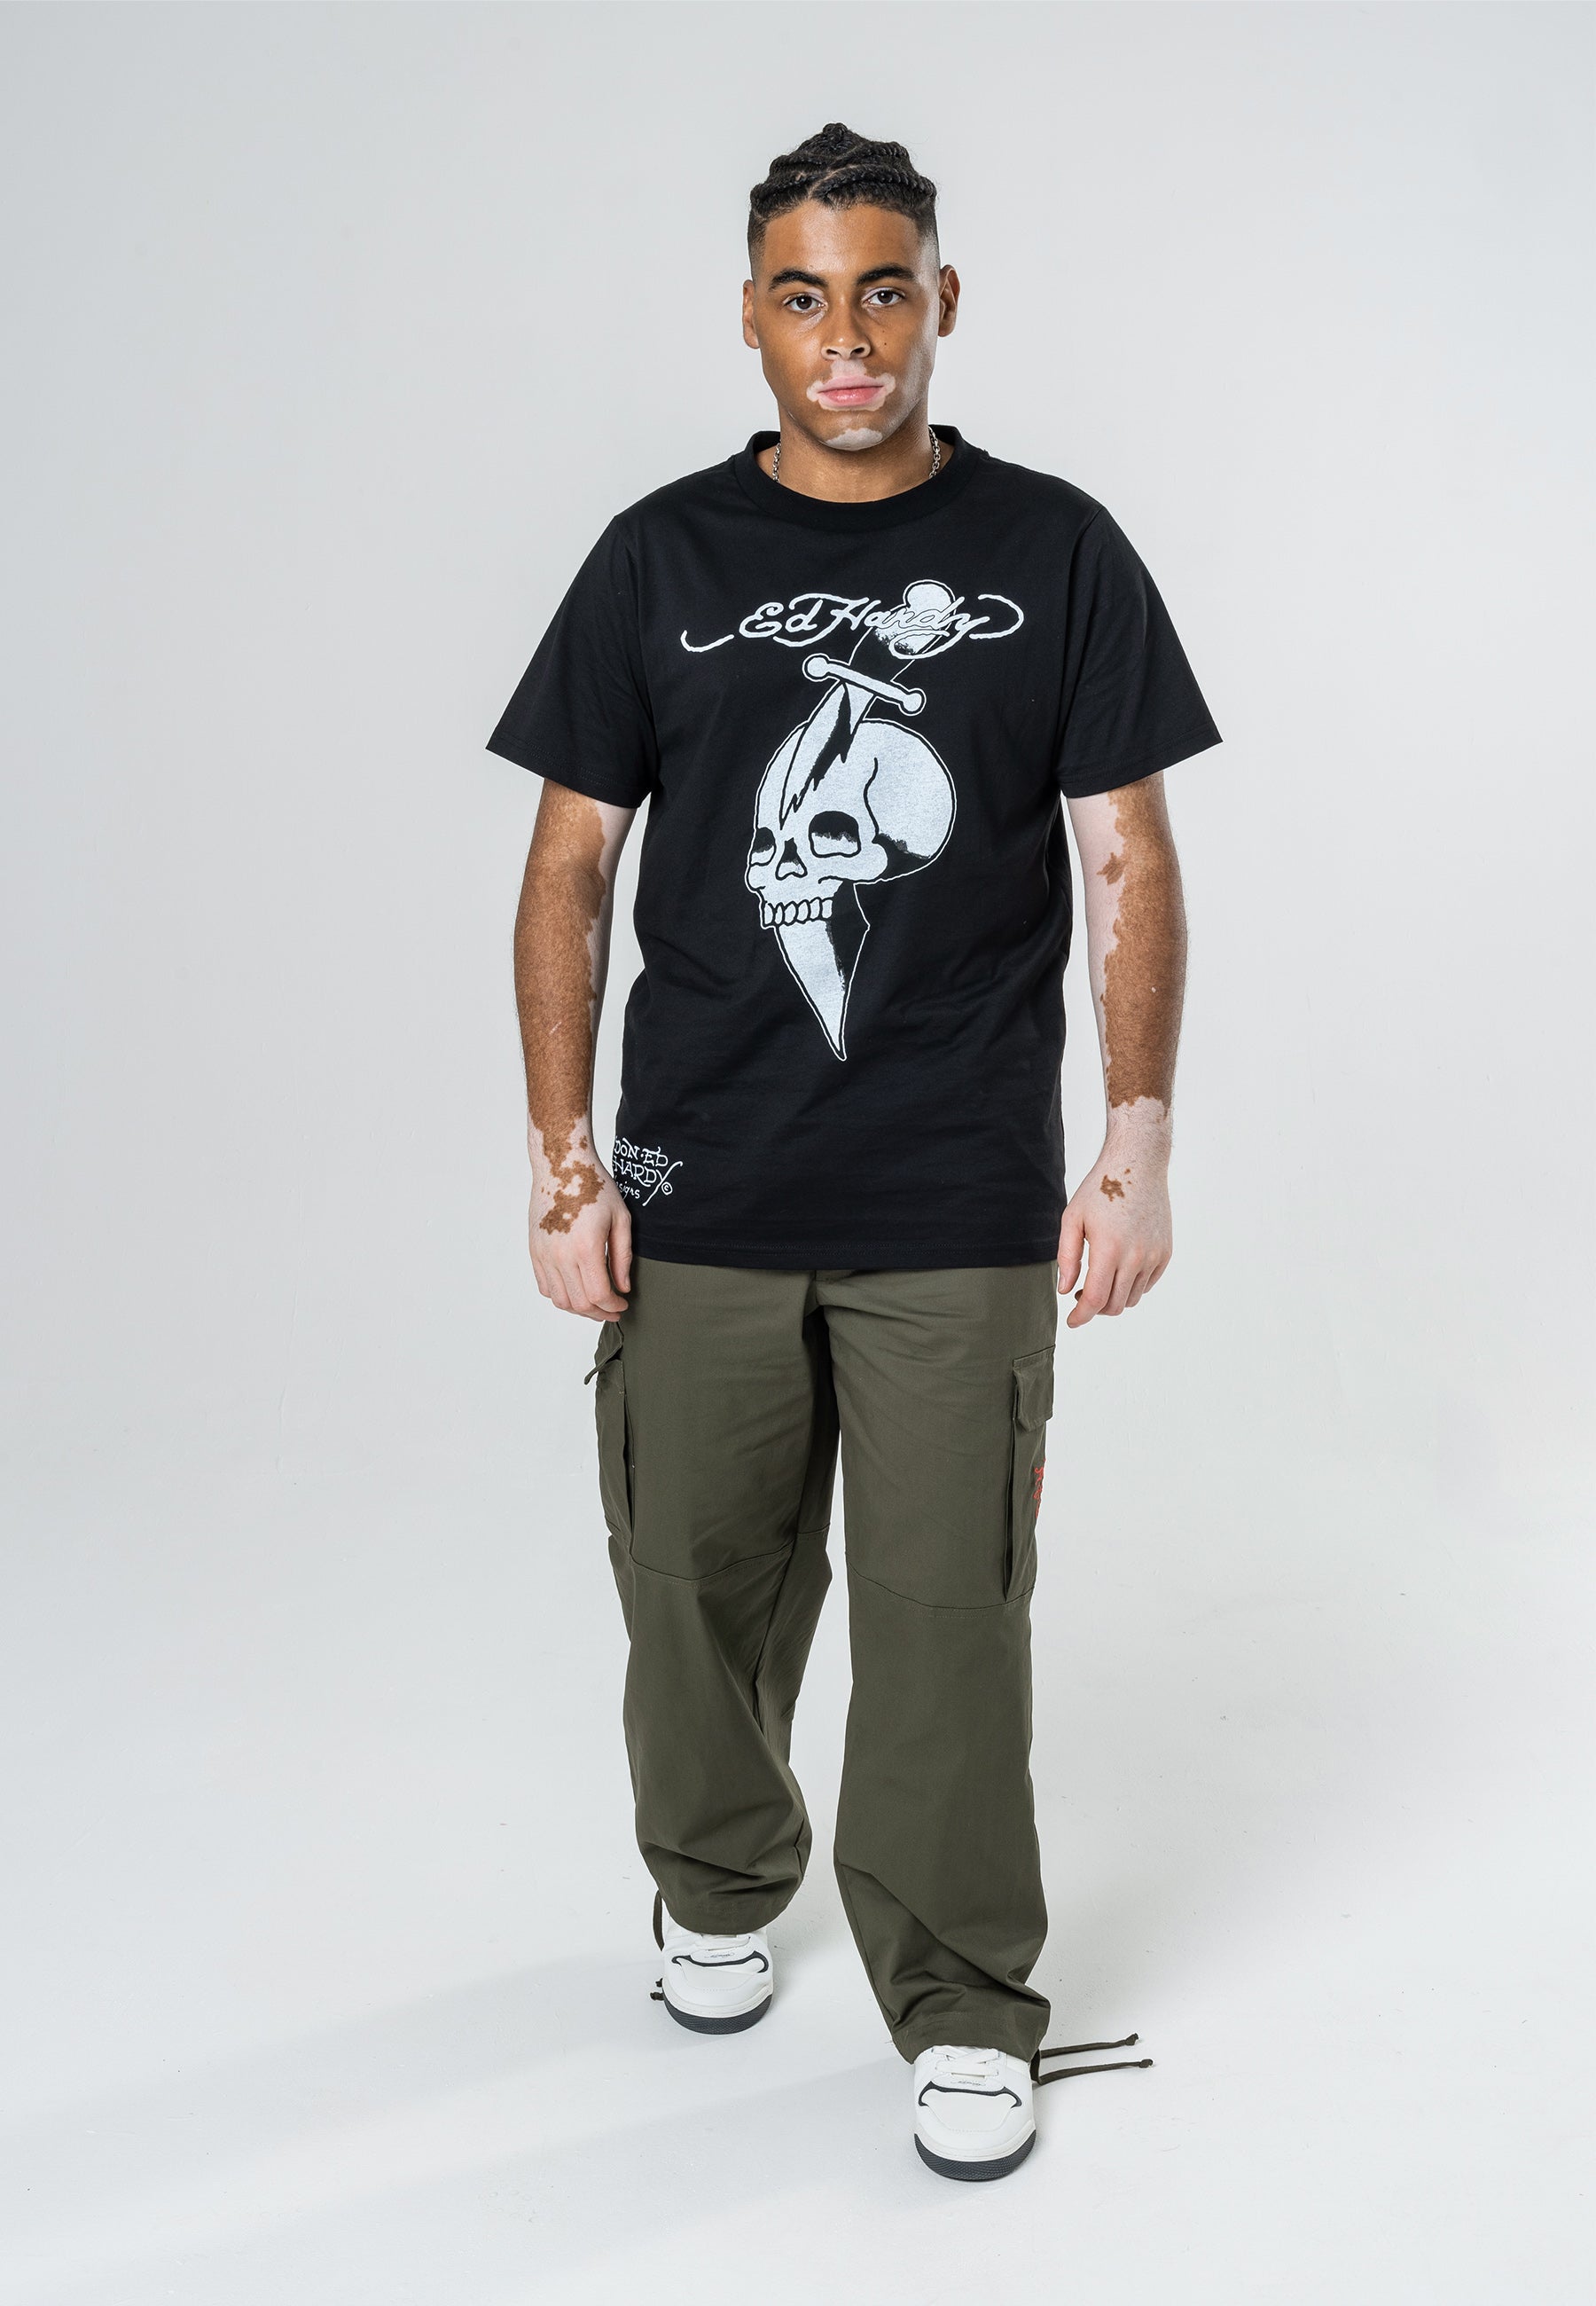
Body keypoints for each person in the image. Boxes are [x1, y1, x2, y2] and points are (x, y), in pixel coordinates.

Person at [487, 122, 1219, 2182]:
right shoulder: (656, 561)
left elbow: (1130, 857)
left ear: (941, 301)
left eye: (885, 290)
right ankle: (718, 1878)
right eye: (804, 296)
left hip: (954, 1200)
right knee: (689, 1585)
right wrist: (564, 1161)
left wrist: (1136, 1143)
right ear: (751, 315)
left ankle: (966, 1994)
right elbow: (567, 870)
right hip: (697, 1186)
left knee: (946, 1614)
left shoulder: (1055, 551)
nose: (849, 338)